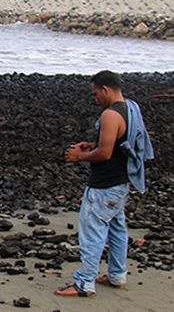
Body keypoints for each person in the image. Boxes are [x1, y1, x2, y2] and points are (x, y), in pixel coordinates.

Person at [55, 70, 153, 298]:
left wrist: (79, 157)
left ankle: (84, 283)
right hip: (121, 182)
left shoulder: (110, 115)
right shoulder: (131, 108)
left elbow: (106, 152)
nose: (95, 98)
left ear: (106, 89)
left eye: (95, 93)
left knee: (92, 230)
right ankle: (117, 275)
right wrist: (91, 145)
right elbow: (118, 141)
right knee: (117, 228)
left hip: (105, 185)